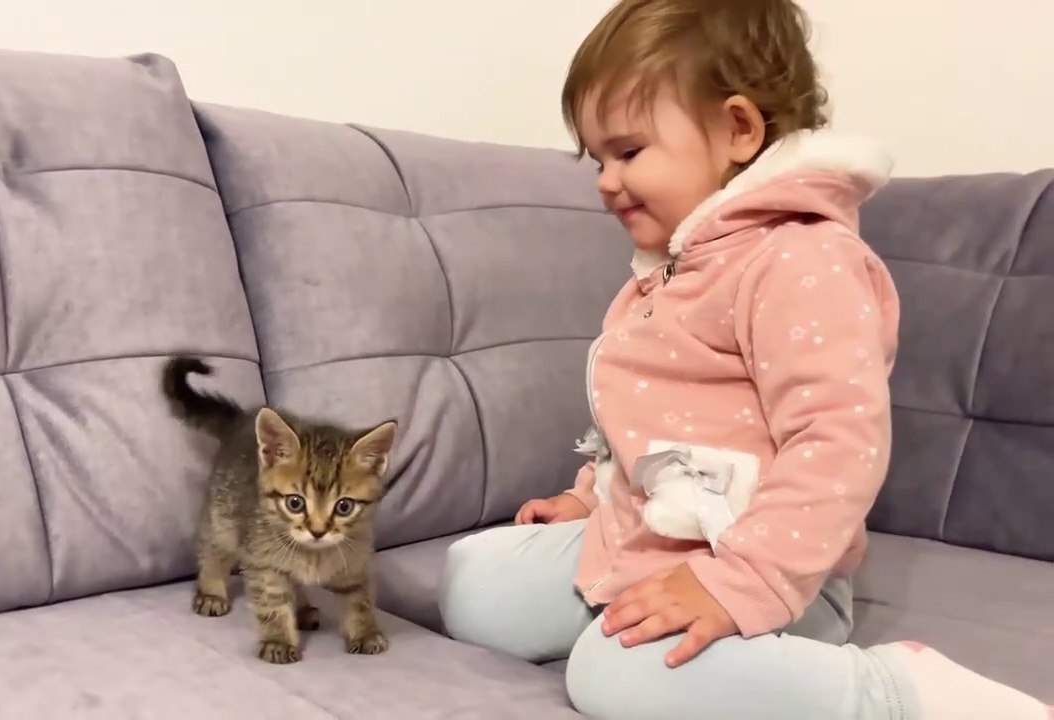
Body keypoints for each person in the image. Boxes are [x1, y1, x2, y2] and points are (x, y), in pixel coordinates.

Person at [437, 1, 1053, 718]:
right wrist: (587, 497)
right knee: (473, 582)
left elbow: (837, 444)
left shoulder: (800, 259)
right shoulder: (669, 269)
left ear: (738, 128)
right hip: (646, 539)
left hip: (771, 566)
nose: (606, 180)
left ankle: (898, 693)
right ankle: (630, 612)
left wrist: (740, 583)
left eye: (629, 152)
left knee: (613, 675)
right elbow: (646, 425)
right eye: (596, 158)